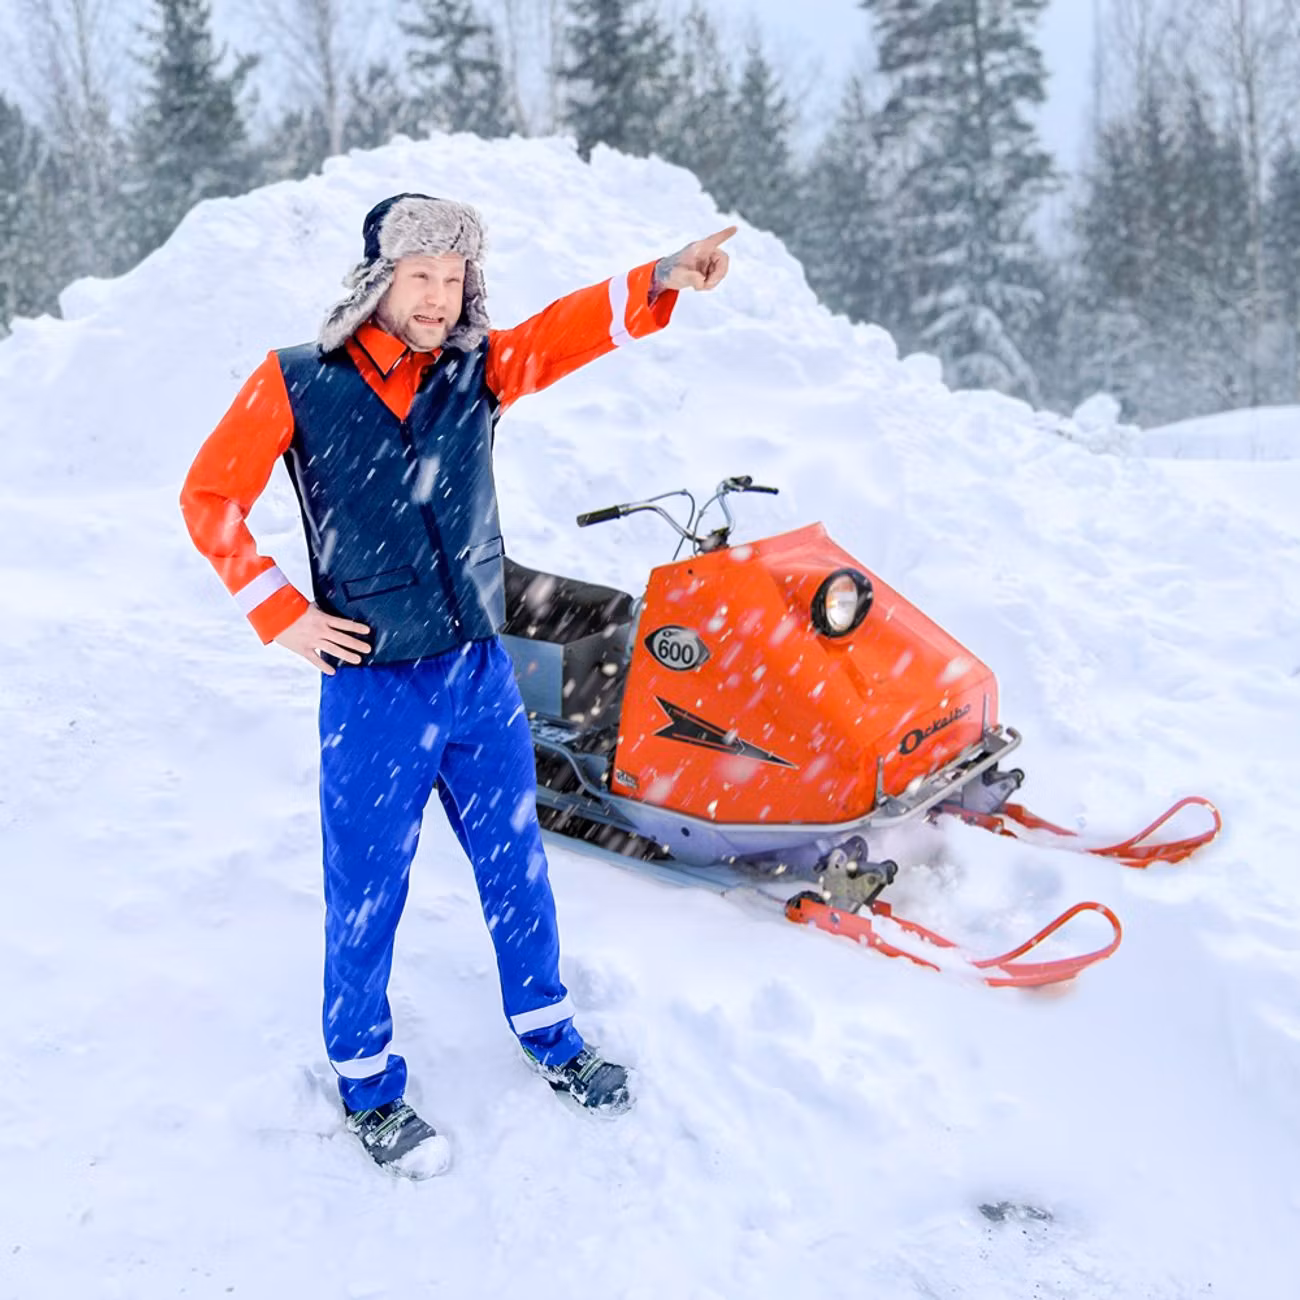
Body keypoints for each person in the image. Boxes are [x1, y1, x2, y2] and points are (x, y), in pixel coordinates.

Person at [180, 192, 734, 1178]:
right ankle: (367, 1084)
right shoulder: (297, 380)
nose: (439, 297)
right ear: (379, 280)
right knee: (368, 889)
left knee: (515, 860)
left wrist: (656, 278)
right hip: (373, 691)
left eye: (453, 277)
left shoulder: (476, 370)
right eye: (421, 276)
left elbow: (559, 334)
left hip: (479, 673)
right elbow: (209, 494)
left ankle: (549, 1033)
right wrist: (279, 611)